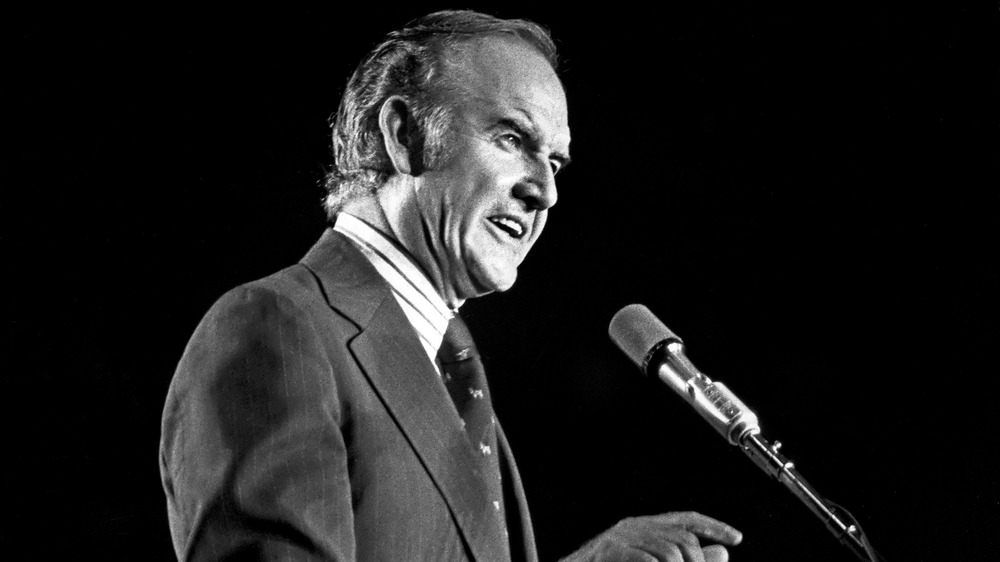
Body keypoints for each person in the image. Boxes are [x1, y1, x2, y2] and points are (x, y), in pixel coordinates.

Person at [159, 10, 743, 562]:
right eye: (512, 139)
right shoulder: (275, 327)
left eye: (556, 163)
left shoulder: (452, 368)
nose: (545, 191)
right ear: (405, 134)